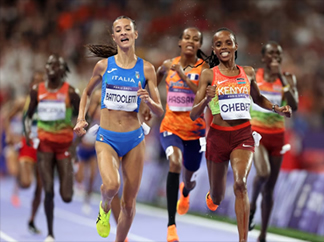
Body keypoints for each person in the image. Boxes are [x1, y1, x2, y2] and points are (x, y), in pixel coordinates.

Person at [190, 28, 292, 242]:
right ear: (214, 50)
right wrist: (207, 101)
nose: (224, 47)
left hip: (242, 136)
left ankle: (243, 239)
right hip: (217, 137)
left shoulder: (248, 72)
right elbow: (193, 114)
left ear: (236, 46)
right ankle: (213, 194)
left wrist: (277, 108)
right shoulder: (209, 74)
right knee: (217, 197)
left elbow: (258, 99)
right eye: (219, 44)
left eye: (228, 43)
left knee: (240, 184)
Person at [73, 16, 163, 242]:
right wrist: (81, 118)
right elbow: (86, 92)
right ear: (114, 37)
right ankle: (103, 208)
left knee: (129, 204)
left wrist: (149, 102)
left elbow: (159, 109)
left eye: (128, 29)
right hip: (107, 138)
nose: (123, 32)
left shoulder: (147, 68)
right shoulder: (104, 66)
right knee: (112, 185)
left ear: (135, 34)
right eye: (118, 30)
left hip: (134, 139)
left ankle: (119, 240)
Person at [157, 27, 209, 242]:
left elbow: (200, 93)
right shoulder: (169, 64)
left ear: (199, 45)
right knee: (175, 163)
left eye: (196, 39)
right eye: (187, 37)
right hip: (170, 127)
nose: (191, 41)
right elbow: (156, 75)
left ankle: (185, 192)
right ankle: (171, 225)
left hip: (195, 131)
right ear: (180, 41)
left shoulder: (205, 68)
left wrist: (181, 74)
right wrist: (147, 101)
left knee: (189, 178)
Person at [24, 54, 81, 242]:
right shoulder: (36, 90)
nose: (50, 67)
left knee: (66, 197)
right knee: (47, 189)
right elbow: (28, 116)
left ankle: (69, 176)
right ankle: (50, 233)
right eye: (48, 64)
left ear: (62, 70)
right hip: (45, 146)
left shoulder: (71, 92)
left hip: (64, 146)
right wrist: (29, 135)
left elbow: (82, 118)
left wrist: (75, 144)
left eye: (55, 65)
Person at [248, 41, 298, 242]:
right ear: (263, 58)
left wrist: (281, 80)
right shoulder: (255, 76)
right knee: (263, 172)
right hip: (256, 133)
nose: (275, 56)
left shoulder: (287, 78)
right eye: (270, 53)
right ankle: (251, 206)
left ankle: (263, 234)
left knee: (269, 189)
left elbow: (294, 106)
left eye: (278, 53)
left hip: (278, 136)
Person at [3, 70, 45, 233]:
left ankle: (32, 220)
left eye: (41, 82)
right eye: (35, 82)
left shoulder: (50, 103)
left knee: (40, 187)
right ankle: (16, 166)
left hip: (43, 148)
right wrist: (10, 135)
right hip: (27, 144)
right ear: (30, 84)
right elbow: (7, 117)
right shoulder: (23, 102)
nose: (38, 85)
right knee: (26, 183)